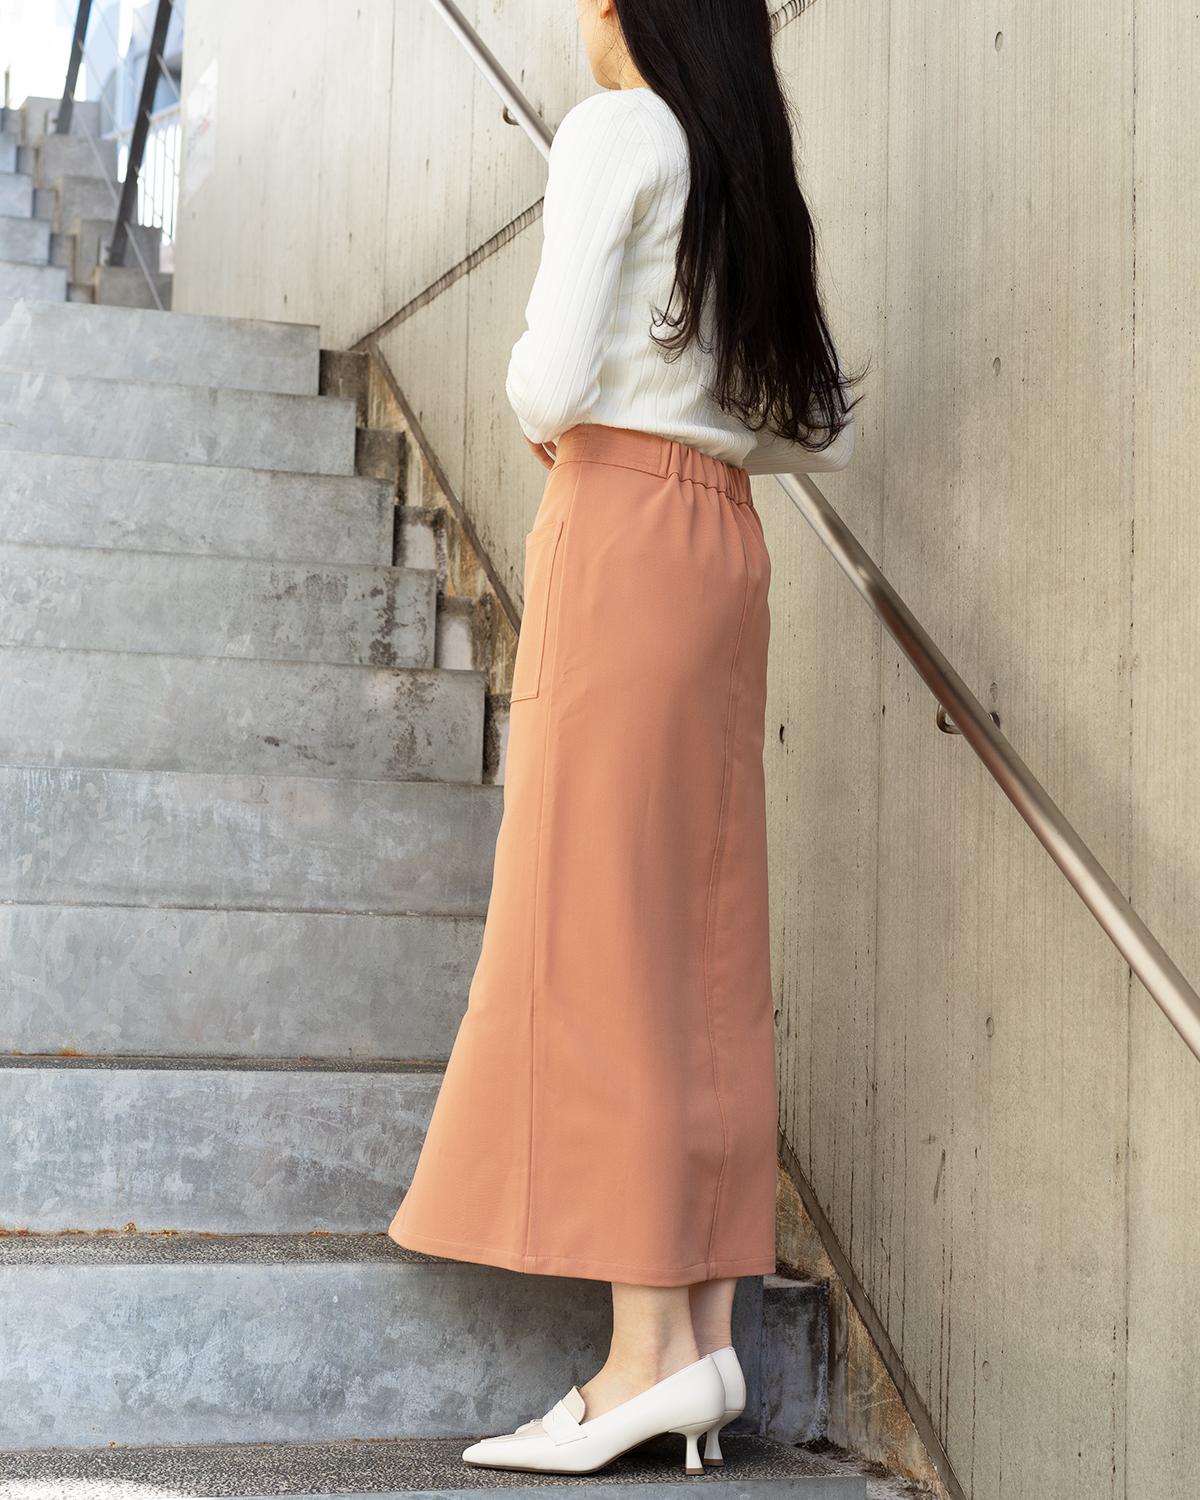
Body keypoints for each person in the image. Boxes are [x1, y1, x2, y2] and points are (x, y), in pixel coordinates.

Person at [387, 0, 862, 1476]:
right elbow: (820, 429)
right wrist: (702, 437)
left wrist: (589, 426)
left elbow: (545, 378)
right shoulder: (745, 164)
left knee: (606, 935)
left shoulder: (618, 132)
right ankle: (703, 1338)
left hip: (622, 528)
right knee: (700, 941)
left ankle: (642, 1357)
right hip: (724, 546)